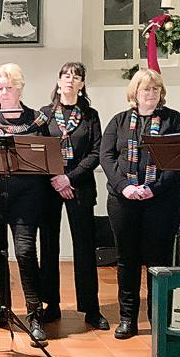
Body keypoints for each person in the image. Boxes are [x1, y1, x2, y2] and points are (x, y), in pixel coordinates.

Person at [100, 69, 180, 339]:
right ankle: (128, 318)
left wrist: (154, 188)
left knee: (157, 261)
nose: (150, 94)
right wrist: (125, 187)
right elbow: (106, 156)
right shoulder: (119, 121)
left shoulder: (173, 120)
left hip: (162, 201)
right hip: (123, 200)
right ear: (134, 93)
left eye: (155, 89)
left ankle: (158, 319)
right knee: (127, 260)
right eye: (145, 89)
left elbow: (179, 158)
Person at [0, 64, 50, 343]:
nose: (4, 92)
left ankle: (35, 314)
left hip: (26, 195)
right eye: (0, 88)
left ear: (20, 88)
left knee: (26, 252)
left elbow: (47, 156)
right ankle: (3, 309)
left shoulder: (38, 119)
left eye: (9, 87)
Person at [38, 62, 109, 330]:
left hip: (79, 185)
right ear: (58, 81)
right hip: (50, 187)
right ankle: (51, 304)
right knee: (49, 246)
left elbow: (96, 152)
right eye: (65, 74)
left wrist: (70, 177)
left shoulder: (90, 115)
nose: (70, 79)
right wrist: (57, 178)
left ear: (81, 84)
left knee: (84, 248)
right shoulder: (44, 114)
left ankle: (91, 308)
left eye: (76, 76)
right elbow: (40, 150)